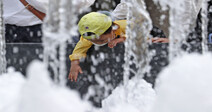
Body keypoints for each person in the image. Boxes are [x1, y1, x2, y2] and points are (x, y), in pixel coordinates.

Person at [68, 12, 127, 82]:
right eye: (92, 41)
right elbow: (80, 48)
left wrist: (120, 39)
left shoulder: (125, 25)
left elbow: (137, 34)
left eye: (102, 40)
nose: (97, 43)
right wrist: (74, 63)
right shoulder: (91, 36)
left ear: (112, 30)